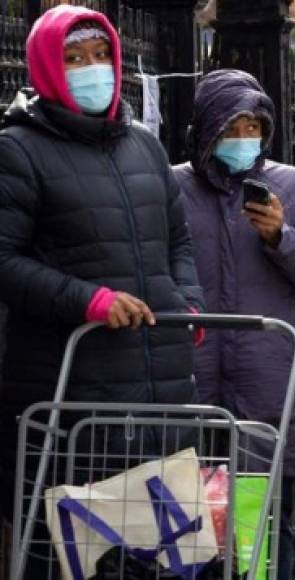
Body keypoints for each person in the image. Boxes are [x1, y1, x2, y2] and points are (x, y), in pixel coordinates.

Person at [0, 5, 203, 573]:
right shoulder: (19, 149)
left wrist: (191, 305)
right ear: (45, 68)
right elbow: (5, 260)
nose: (92, 69)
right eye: (74, 59)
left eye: (100, 57)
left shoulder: (145, 146)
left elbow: (179, 242)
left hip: (161, 395)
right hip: (71, 400)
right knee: (68, 555)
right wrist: (89, 300)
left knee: (159, 556)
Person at [173, 69, 295, 580]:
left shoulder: (294, 187)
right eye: (232, 126)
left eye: (254, 126)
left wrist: (282, 237)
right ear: (207, 129)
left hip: (265, 406)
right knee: (190, 541)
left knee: (256, 547)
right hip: (188, 401)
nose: (243, 138)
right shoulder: (171, 186)